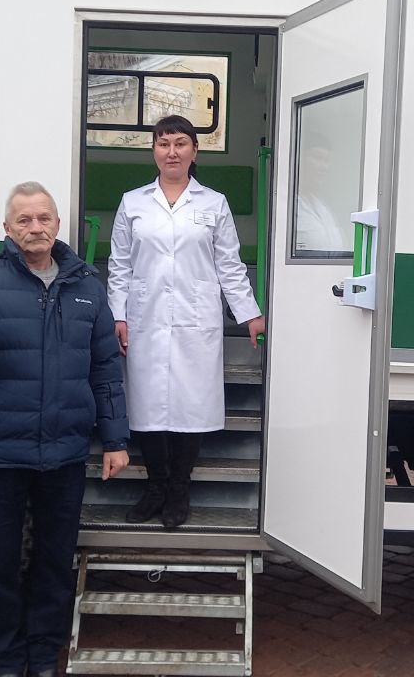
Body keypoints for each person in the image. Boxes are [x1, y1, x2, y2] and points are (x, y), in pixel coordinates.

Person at [0, 181, 130, 677]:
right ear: (8, 227)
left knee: (54, 562)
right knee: (1, 563)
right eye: (24, 220)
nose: (35, 227)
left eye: (44, 218)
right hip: (0, 452)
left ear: (58, 224)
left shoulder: (87, 285)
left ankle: (43, 655)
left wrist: (115, 440)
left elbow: (106, 367)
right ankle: (8, 657)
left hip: (65, 452)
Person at [106, 115, 266, 530]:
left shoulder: (213, 203)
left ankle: (179, 488)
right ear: (154, 152)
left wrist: (249, 313)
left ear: (195, 151)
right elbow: (119, 265)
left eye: (180, 143)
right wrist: (118, 314)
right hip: (145, 317)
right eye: (163, 144)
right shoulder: (133, 202)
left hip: (196, 319)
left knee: (190, 406)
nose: (172, 152)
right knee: (147, 404)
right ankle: (156, 487)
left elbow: (229, 265)